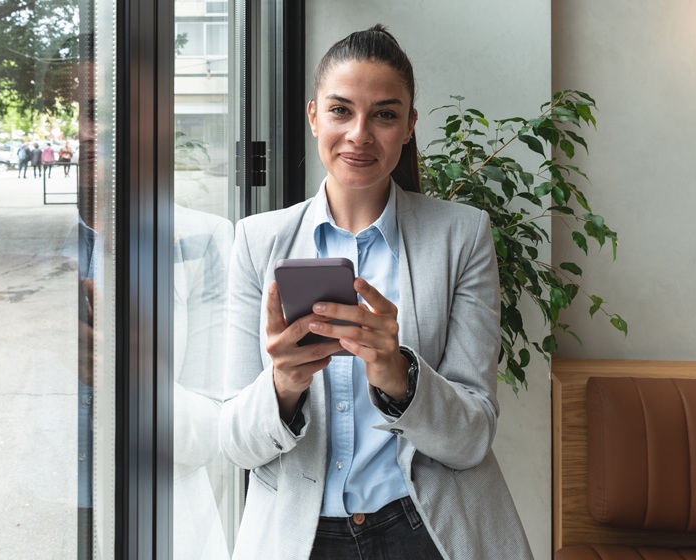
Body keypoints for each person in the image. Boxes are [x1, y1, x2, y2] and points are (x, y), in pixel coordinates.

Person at [218, 25, 533, 560]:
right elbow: (234, 442)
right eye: (341, 111)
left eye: (384, 114)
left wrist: (399, 377)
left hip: (427, 528)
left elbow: (473, 436)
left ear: (409, 126)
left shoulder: (463, 234)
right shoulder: (256, 242)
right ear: (314, 114)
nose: (360, 133)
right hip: (299, 536)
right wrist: (284, 384)